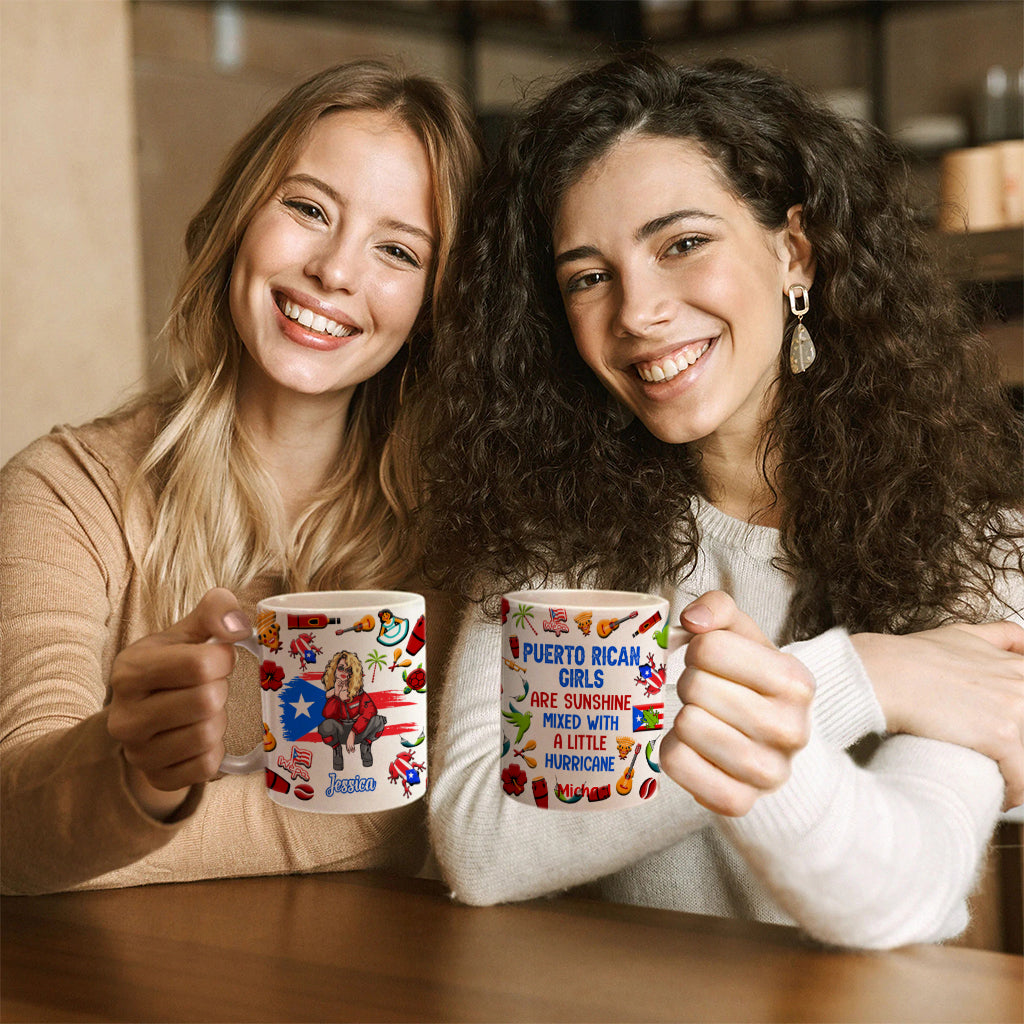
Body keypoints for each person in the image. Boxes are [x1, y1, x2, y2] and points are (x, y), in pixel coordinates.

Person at [416, 53, 1024, 949]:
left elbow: (901, 892)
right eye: (588, 276)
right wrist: (859, 677)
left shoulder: (975, 545)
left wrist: (778, 695)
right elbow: (479, 845)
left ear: (794, 253)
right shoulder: (553, 539)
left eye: (682, 244)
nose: (637, 311)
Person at [0, 59, 481, 895]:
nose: (336, 270)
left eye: (398, 251)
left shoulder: (460, 532)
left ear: (433, 305)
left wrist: (118, 832)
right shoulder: (66, 491)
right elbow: (16, 825)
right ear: (238, 218)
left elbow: (426, 805)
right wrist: (134, 775)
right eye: (308, 208)